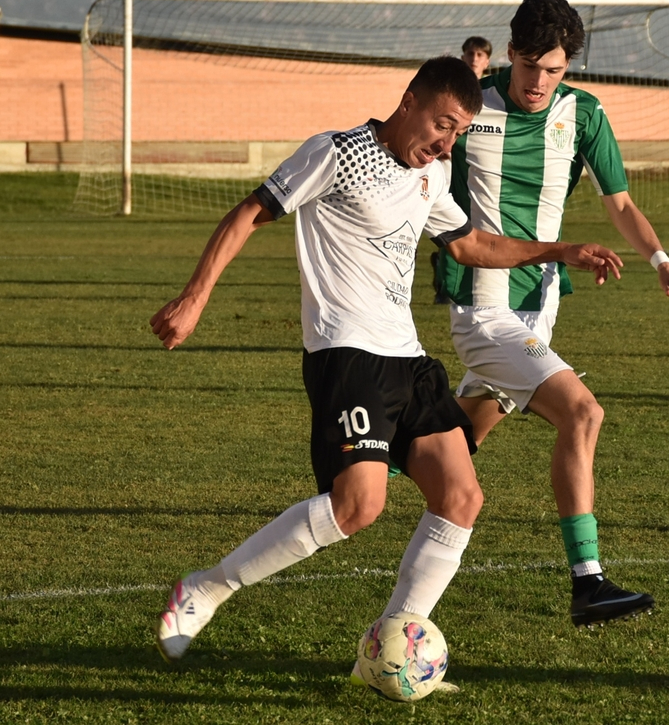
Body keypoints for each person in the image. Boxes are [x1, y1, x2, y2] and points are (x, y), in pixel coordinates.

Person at [149, 56, 623, 665]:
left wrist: (561, 249)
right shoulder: (336, 152)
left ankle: (395, 642)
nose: (446, 142)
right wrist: (194, 298)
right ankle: (208, 587)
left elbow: (472, 244)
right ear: (410, 103)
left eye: (457, 132)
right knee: (359, 507)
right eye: (441, 125)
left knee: (461, 497)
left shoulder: (431, 176)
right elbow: (250, 213)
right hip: (347, 354)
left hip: (408, 358)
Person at [427, 0, 669, 629]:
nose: (539, 82)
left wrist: (664, 263)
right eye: (528, 67)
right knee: (582, 412)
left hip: (540, 306)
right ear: (509, 52)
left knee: (454, 443)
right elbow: (413, 150)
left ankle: (357, 487)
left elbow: (620, 205)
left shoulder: (584, 115)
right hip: (481, 305)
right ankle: (588, 581)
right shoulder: (469, 104)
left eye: (553, 70)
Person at [430, 37, 497, 304]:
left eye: (480, 54)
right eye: (470, 53)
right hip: (447, 163)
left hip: (476, 166)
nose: (475, 58)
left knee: (475, 222)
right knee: (451, 218)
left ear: (488, 61)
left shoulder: (491, 96)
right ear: (463, 56)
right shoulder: (452, 88)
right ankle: (447, 286)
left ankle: (468, 280)